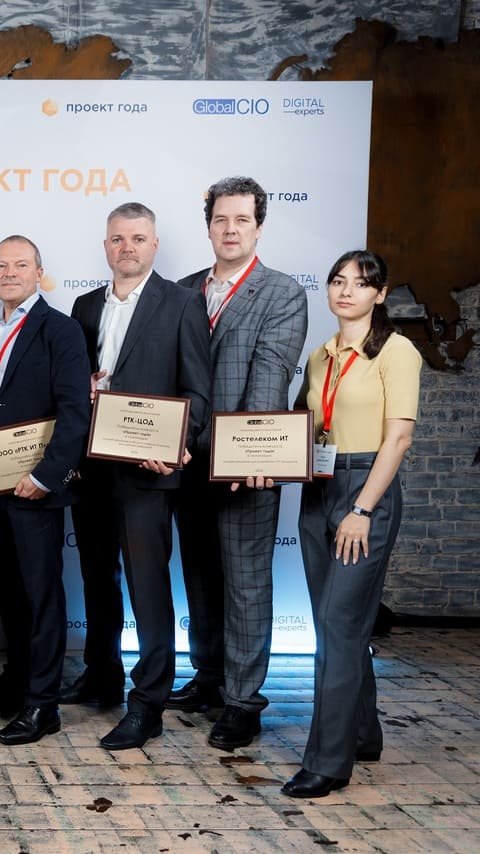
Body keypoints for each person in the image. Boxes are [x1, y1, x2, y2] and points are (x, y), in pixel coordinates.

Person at [67, 204, 212, 750]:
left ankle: (148, 702)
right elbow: (74, 382)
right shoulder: (84, 306)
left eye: (137, 238)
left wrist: (174, 447)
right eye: (117, 239)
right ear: (105, 245)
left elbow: (197, 391)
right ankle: (101, 673)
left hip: (149, 471)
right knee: (96, 577)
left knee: (147, 586)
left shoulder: (182, 302)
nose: (126, 247)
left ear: (154, 245)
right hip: (91, 467)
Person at [171, 177, 308, 750]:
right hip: (185, 461)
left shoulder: (282, 293)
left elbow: (270, 376)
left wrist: (257, 454)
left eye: (242, 220)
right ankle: (209, 678)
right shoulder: (182, 290)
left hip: (245, 464)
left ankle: (243, 702)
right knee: (200, 576)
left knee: (247, 583)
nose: (230, 229)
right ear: (208, 226)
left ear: (259, 226)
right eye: (221, 219)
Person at [282, 250, 420, 798]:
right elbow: (302, 427)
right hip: (319, 486)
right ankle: (363, 732)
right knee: (336, 625)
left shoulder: (397, 351)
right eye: (338, 281)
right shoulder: (320, 355)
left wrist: (361, 509)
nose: (346, 291)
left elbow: (399, 438)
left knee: (338, 624)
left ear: (379, 294)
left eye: (360, 284)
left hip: (365, 488)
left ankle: (328, 762)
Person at [0, 235, 91, 745]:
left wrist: (46, 476)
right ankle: (22, 680)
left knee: (41, 596)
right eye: (1, 266)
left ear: (38, 273)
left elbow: (75, 411)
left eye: (20, 265)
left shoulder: (60, 329)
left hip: (34, 486)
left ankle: (44, 705)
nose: (9, 273)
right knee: (9, 592)